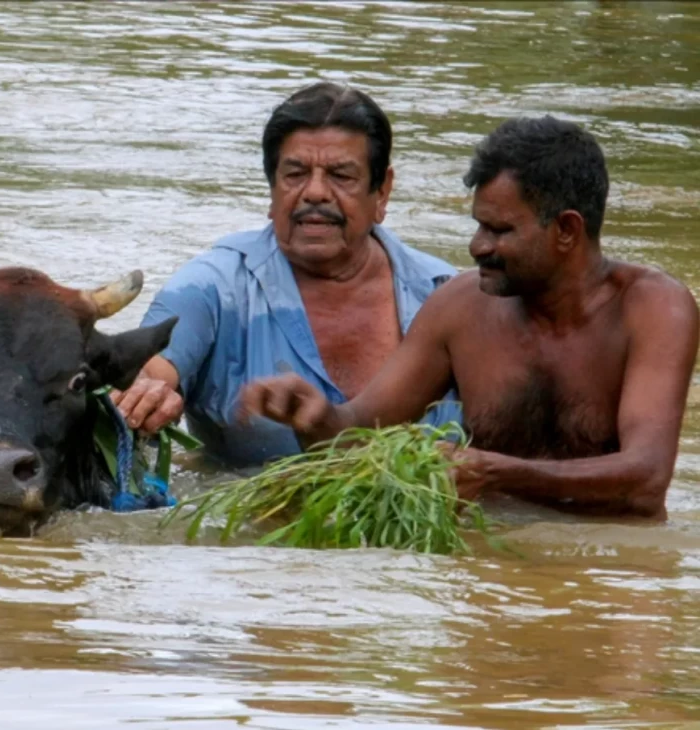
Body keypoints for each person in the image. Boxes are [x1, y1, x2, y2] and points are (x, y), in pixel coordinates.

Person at [236, 115, 699, 519]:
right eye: (478, 225)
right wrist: (316, 417)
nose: (478, 246)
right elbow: (358, 437)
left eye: (500, 230)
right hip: (484, 562)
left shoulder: (654, 309)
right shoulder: (459, 306)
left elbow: (646, 478)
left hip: (609, 570)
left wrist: (498, 473)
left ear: (566, 230)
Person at [113, 81, 460, 467]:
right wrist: (147, 396)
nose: (314, 193)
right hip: (254, 517)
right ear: (272, 191)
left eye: (341, 176)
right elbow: (149, 373)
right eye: (295, 174)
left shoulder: (449, 297)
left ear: (382, 193)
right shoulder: (211, 288)